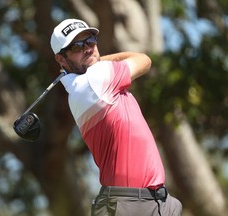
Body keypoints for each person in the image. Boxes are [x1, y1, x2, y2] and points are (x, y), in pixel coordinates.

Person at [50, 18, 182, 216]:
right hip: (127, 204)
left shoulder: (82, 85)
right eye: (77, 46)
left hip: (157, 201)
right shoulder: (95, 79)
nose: (87, 48)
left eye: (90, 41)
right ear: (61, 59)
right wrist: (99, 59)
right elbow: (144, 60)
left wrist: (93, 59)